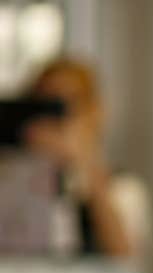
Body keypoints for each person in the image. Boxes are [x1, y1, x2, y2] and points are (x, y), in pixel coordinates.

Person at [19, 56, 142, 259]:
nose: (58, 119)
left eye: (70, 104)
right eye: (48, 105)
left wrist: (85, 161)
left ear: (94, 111)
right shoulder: (9, 176)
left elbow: (125, 256)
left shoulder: (121, 186)